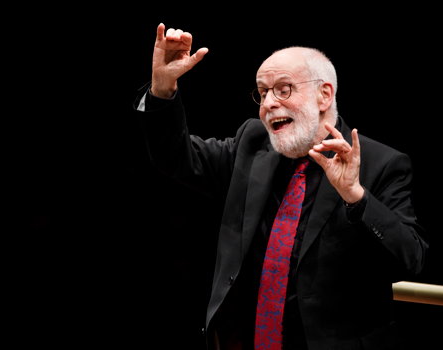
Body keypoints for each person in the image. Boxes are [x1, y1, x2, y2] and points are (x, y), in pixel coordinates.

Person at [133, 23, 428, 350]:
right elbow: (175, 158)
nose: (268, 103)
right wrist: (162, 88)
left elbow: (411, 259)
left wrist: (355, 196)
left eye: (283, 89)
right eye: (262, 92)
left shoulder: (381, 163)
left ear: (324, 94)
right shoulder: (253, 142)